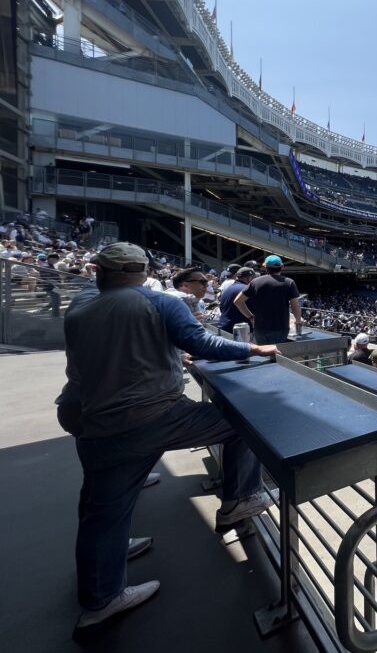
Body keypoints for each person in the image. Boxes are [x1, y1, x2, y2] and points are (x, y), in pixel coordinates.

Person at [64, 242, 279, 631]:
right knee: (245, 421)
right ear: (144, 270)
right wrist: (254, 347)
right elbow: (203, 343)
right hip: (152, 416)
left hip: (94, 422)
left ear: (99, 270)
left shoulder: (80, 304)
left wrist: (166, 352)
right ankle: (238, 499)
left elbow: (118, 348)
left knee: (100, 511)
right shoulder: (159, 303)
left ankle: (100, 597)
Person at [234, 255, 301, 344]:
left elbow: (238, 301)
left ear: (265, 267)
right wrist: (298, 321)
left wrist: (251, 317)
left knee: (262, 354)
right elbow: (295, 306)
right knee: (277, 355)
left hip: (260, 328)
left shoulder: (255, 282)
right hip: (280, 328)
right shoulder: (289, 282)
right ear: (282, 267)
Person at [217, 267, 256, 331]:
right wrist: (252, 317)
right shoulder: (247, 290)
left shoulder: (228, 288)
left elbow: (221, 308)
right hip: (239, 331)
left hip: (223, 327)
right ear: (249, 278)